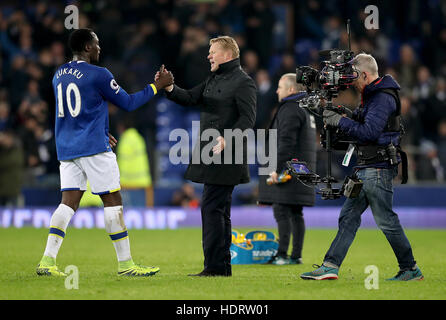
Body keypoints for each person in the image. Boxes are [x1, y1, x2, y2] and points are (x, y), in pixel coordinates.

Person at [36, 28, 173, 277]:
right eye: (96, 43)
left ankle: (47, 261)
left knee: (68, 203)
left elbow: (77, 111)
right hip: (94, 149)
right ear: (87, 47)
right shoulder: (99, 74)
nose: (100, 48)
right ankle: (126, 265)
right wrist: (157, 86)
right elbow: (129, 103)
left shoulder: (58, 74)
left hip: (67, 148)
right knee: (112, 201)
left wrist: (99, 129)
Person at [301, 53, 423, 281]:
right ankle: (330, 265)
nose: (351, 82)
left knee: (386, 221)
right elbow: (363, 120)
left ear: (365, 74)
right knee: (348, 217)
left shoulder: (381, 97)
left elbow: (369, 132)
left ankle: (410, 268)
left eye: (354, 77)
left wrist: (340, 121)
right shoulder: (374, 95)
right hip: (367, 167)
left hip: (376, 168)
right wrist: (342, 112)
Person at [156, 36, 256, 277]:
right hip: (212, 153)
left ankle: (215, 267)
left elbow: (248, 118)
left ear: (228, 55)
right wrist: (169, 88)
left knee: (212, 208)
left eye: (212, 52)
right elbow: (190, 97)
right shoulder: (214, 78)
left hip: (228, 155)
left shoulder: (244, 82)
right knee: (218, 210)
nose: (208, 56)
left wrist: (227, 137)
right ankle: (220, 267)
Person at [257, 73, 316, 265]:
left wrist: (276, 168)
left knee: (281, 210)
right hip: (302, 167)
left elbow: (286, 143)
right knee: (295, 212)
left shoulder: (289, 109)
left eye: (280, 86)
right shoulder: (306, 108)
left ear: (291, 90)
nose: (276, 90)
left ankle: (282, 255)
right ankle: (295, 255)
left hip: (289, 169)